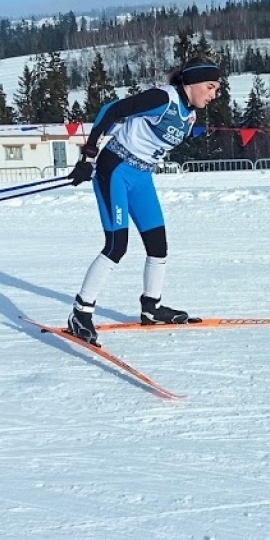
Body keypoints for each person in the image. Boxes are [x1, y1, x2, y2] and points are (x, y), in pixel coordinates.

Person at [66, 60, 222, 342]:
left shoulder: (189, 116)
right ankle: (80, 312)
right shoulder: (163, 98)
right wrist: (88, 156)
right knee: (116, 246)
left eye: (216, 89)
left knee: (158, 245)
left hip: (142, 177)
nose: (213, 95)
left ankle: (152, 308)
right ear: (191, 82)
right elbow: (112, 111)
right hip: (115, 170)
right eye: (210, 87)